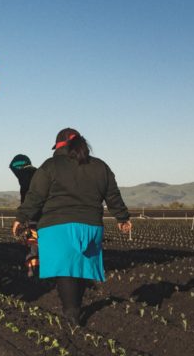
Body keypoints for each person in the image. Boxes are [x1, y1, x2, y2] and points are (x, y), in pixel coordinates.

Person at [13, 128, 131, 326]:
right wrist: (122, 218)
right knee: (81, 267)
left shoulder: (50, 166)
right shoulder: (100, 166)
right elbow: (112, 195)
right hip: (90, 226)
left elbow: (35, 196)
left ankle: (71, 313)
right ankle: (75, 309)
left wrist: (21, 217)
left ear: (59, 146)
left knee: (65, 270)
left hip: (57, 226)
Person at [9, 154, 40, 278]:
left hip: (35, 216)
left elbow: (29, 199)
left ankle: (34, 272)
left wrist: (22, 217)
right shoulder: (39, 174)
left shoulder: (26, 176)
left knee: (34, 243)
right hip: (48, 216)